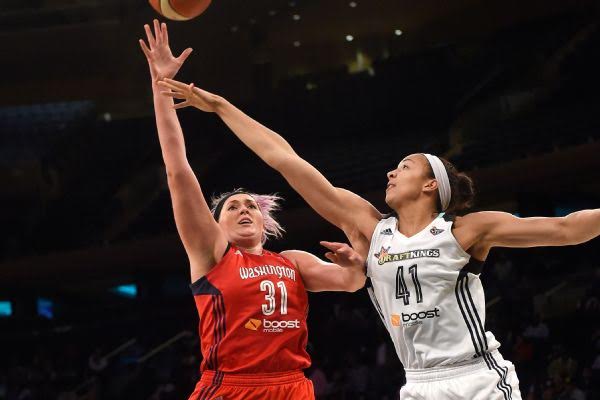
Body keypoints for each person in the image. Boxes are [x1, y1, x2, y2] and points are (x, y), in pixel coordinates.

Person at [157, 76, 600, 400]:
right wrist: (220, 106)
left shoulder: (467, 229)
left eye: (405, 167)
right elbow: (284, 160)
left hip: (476, 377)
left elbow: (568, 228)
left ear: (431, 185)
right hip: (418, 382)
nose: (391, 171)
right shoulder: (370, 228)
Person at [139, 20, 366, 400]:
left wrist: (354, 266)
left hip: (292, 386)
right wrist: (160, 87)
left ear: (264, 221)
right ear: (215, 224)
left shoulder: (292, 261)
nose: (244, 209)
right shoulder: (212, 255)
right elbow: (178, 170)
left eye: (250, 206)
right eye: (232, 207)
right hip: (231, 386)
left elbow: (351, 283)